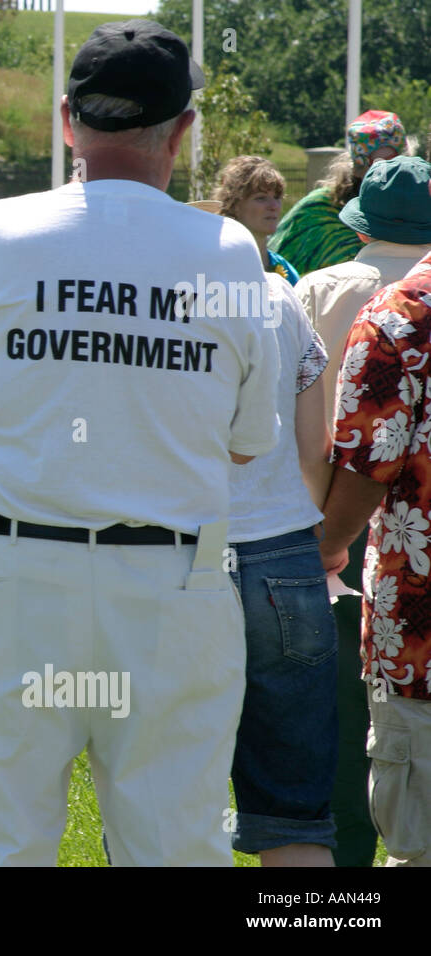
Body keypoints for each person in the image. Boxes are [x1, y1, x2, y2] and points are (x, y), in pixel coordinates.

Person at [0, 19, 281, 866]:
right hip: (168, 584)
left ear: (65, 120)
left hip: (10, 576)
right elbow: (245, 443)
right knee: (174, 846)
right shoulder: (230, 251)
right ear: (183, 132)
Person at [294, 155, 431, 866]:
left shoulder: (373, 306)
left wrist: (322, 544)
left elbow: (366, 458)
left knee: (342, 737)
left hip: (393, 578)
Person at [201, 182, 339, 865]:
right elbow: (316, 445)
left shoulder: (156, 306)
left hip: (181, 554)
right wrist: (313, 527)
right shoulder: (280, 298)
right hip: (282, 551)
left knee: (162, 794)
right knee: (293, 807)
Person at [269, 110, 408, 277]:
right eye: (377, 165)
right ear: (357, 168)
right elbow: (275, 269)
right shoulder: (317, 213)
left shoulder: (418, 208)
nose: (387, 174)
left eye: (394, 162)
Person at [209, 156, 300, 283]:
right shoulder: (214, 266)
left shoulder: (287, 271)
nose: (274, 206)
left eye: (277, 197)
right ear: (234, 205)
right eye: (261, 198)